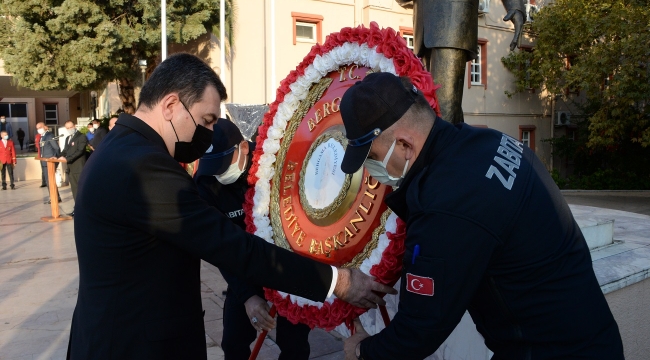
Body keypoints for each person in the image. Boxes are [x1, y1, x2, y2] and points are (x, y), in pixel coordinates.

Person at [66, 53, 395, 360]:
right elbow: (232, 247)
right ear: (170, 105)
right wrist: (337, 281)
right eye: (207, 120)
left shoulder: (120, 147)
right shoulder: (144, 169)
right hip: (133, 346)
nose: (210, 135)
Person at [339, 73, 624, 360]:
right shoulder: (486, 141)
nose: (371, 169)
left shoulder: (445, 204)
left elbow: (420, 328)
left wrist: (363, 350)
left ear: (404, 145)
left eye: (372, 157)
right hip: (589, 337)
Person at [195, 119, 312, 360]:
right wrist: (248, 296)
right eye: (213, 167)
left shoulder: (274, 163)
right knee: (233, 342)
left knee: (294, 346)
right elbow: (220, 245)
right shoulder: (205, 182)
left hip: (288, 263)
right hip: (243, 267)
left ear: (244, 149)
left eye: (223, 164)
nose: (219, 173)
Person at [395, 0, 525, 124]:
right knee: (428, 110)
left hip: (454, 19)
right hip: (424, 25)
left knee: (444, 112)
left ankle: (446, 145)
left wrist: (515, 5)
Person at [58, 121, 87, 213]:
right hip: (71, 168)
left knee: (81, 190)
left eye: (71, 127)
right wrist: (59, 156)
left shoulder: (81, 136)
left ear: (74, 126)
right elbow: (65, 150)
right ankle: (77, 209)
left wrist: (68, 159)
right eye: (67, 128)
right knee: (74, 189)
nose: (70, 129)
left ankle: (84, 210)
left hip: (79, 168)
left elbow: (80, 151)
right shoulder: (67, 138)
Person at [36, 122, 61, 203]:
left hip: (50, 161)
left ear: (45, 127)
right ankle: (55, 197)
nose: (38, 129)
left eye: (40, 127)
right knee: (48, 181)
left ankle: (54, 198)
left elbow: (56, 148)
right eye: (37, 128)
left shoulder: (49, 135)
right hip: (44, 161)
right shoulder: (42, 137)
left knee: (50, 181)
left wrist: (55, 158)